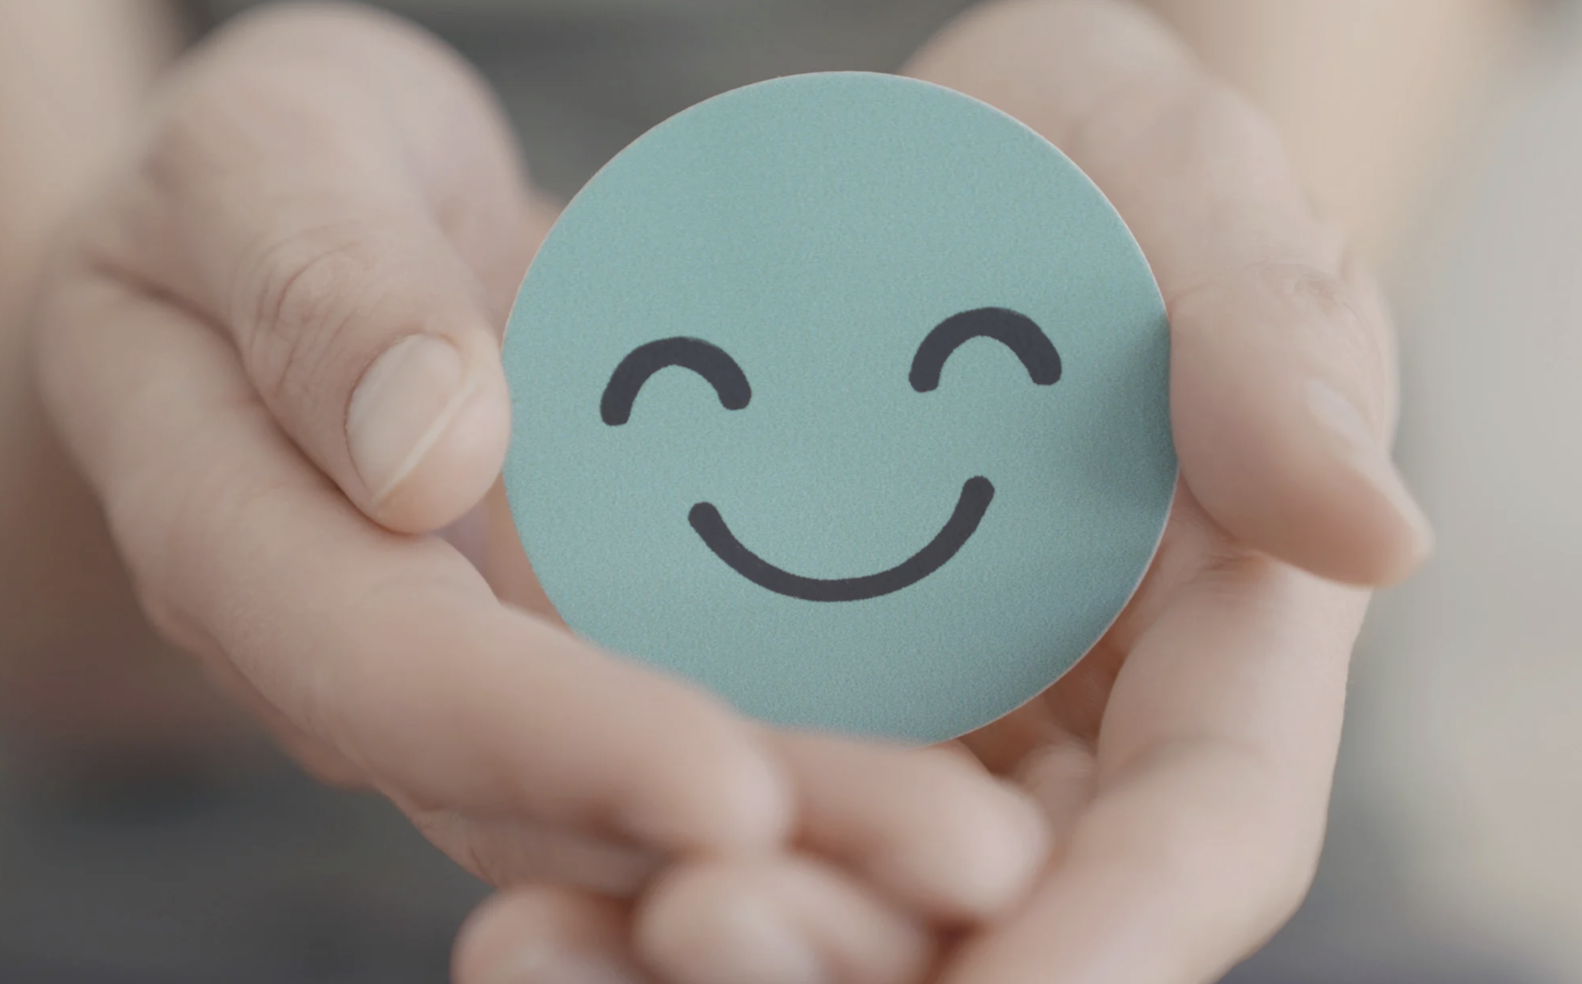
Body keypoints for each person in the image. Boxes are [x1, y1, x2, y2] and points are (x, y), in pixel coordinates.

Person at [0, 1, 1522, 982]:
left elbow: (1273, 164)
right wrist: (159, 335)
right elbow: (55, 552)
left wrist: (1208, 243)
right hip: (180, 879)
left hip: (1168, 768)